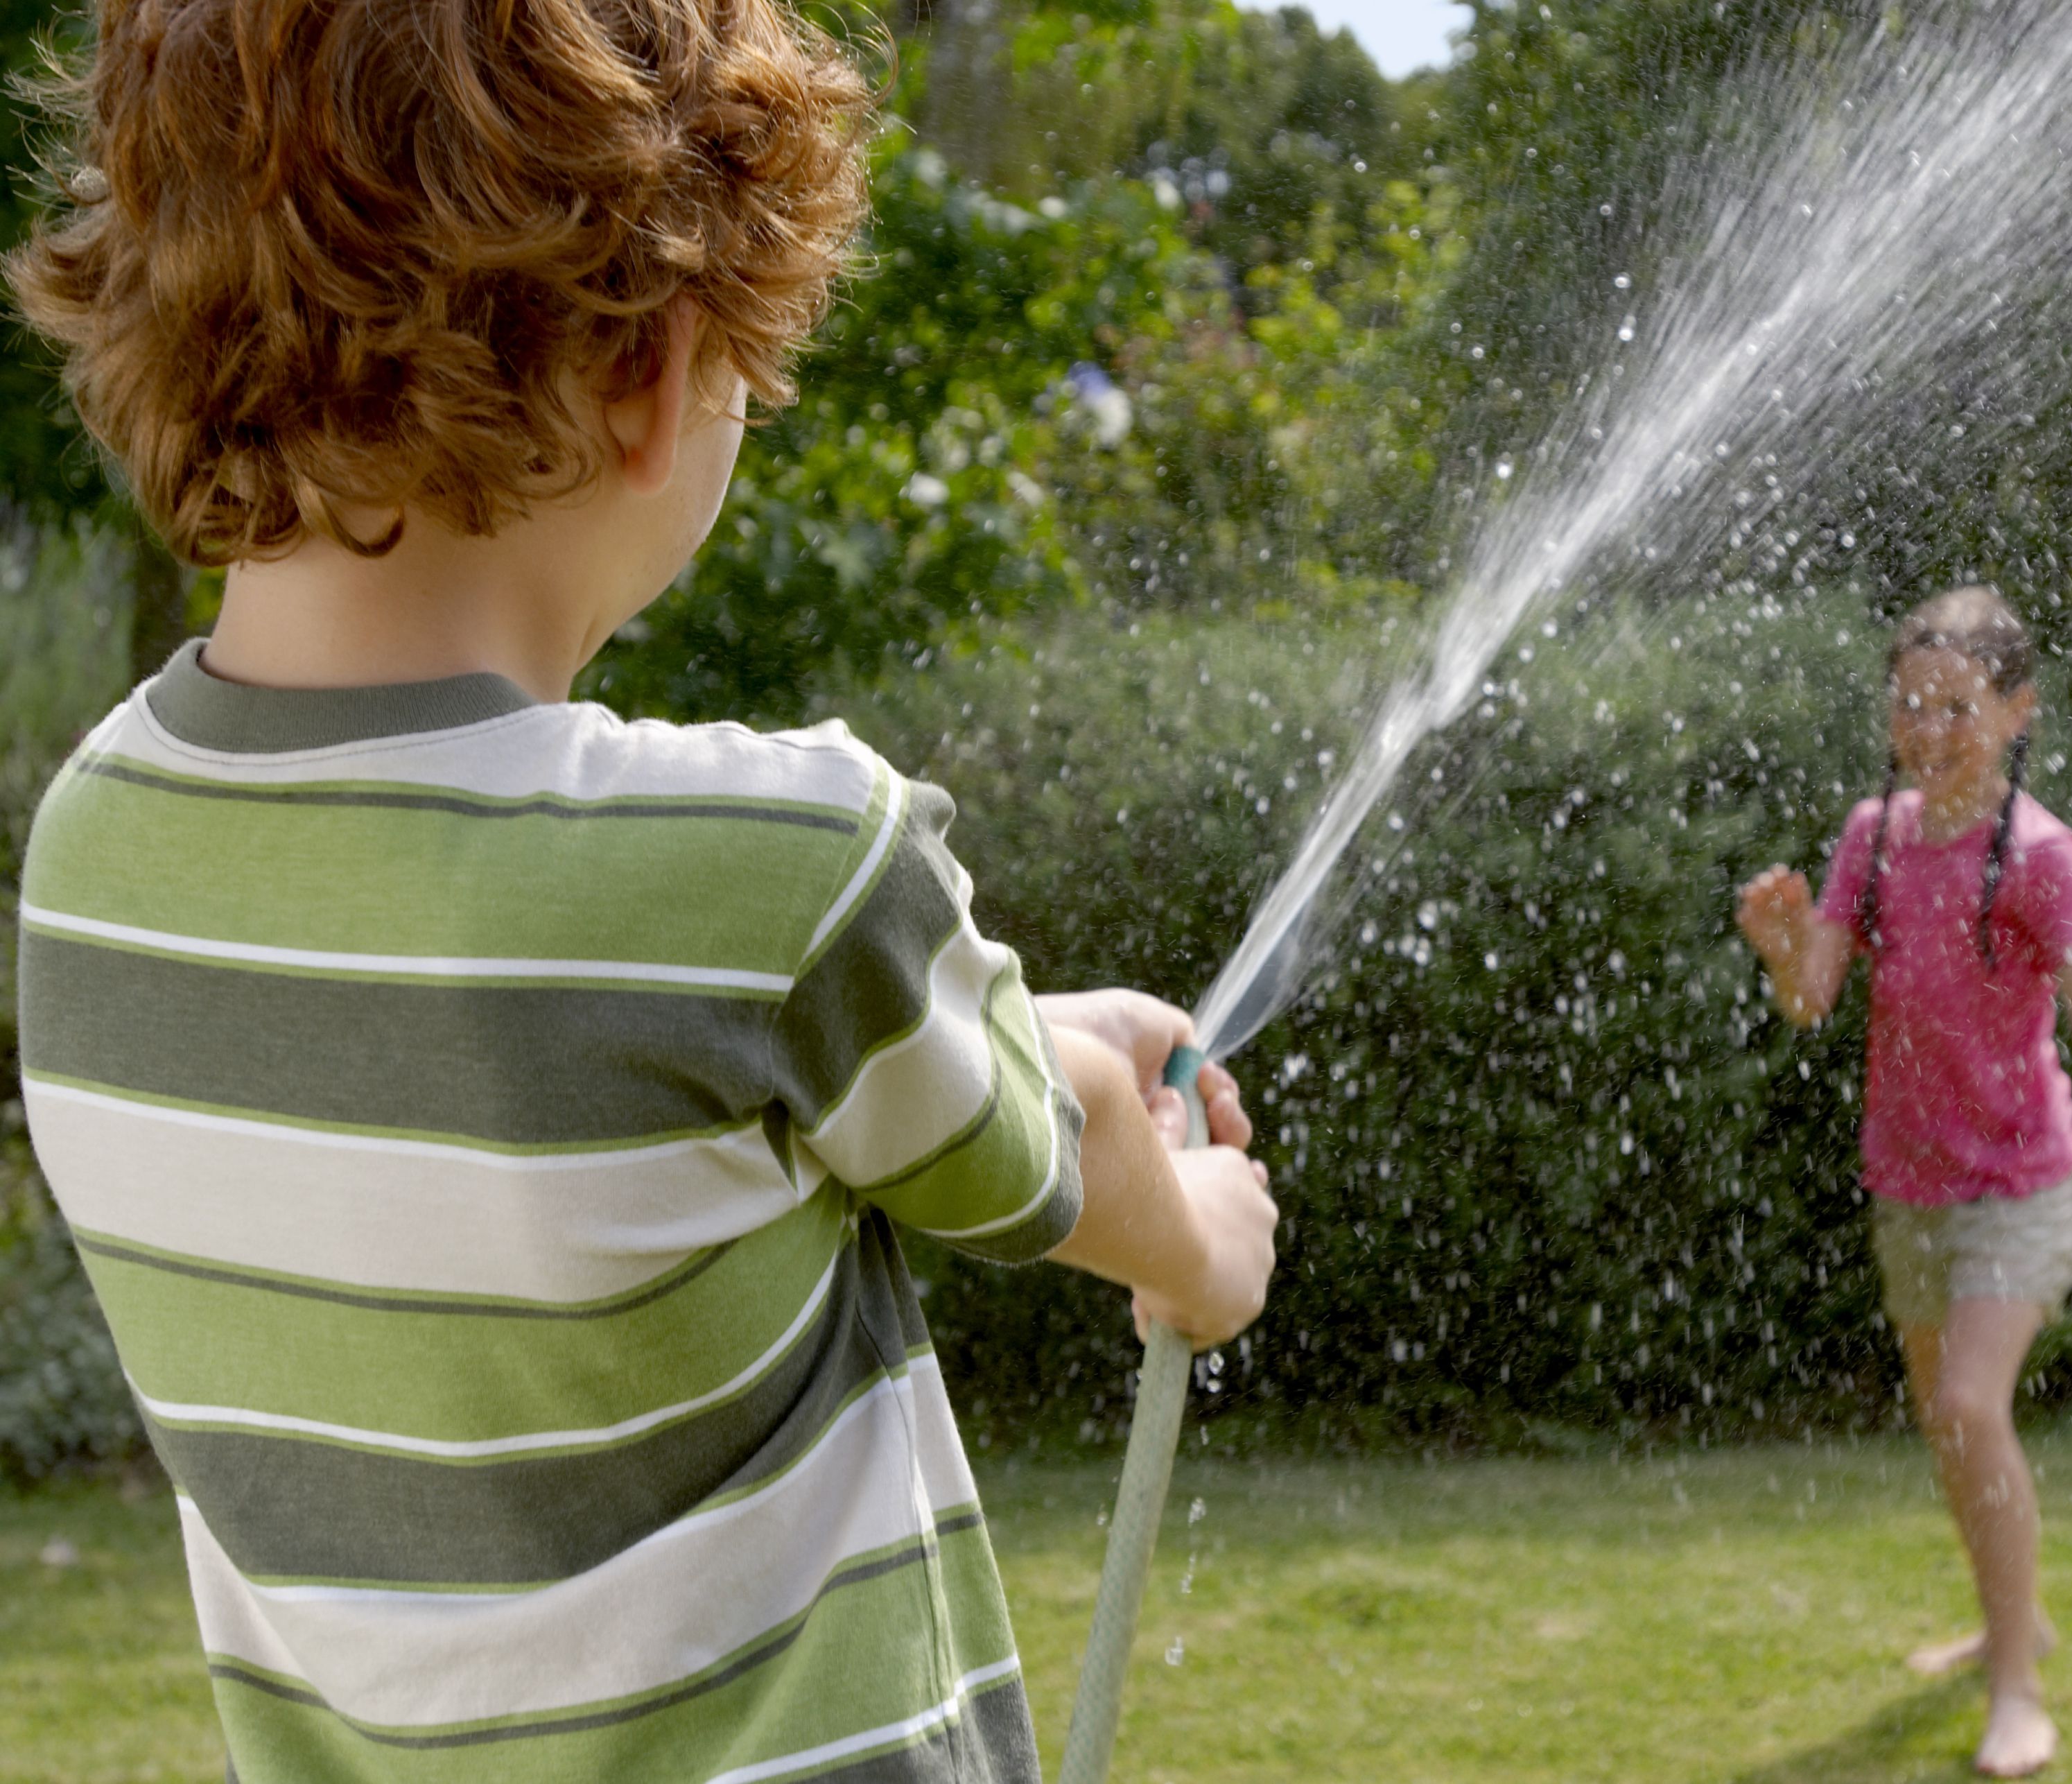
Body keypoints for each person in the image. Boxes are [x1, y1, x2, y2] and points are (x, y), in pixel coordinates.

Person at [4, 5, 1277, 1781]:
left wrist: (1033, 1026)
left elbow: (610, 1106)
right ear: (653, 377)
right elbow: (1057, 1142)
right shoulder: (780, 874)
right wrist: (1201, 1244)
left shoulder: (97, 862)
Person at [1734, 584, 2072, 1778]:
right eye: (1909, 704)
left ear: (2016, 708)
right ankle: (2006, 1614)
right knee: (1946, 1426)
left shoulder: (2041, 857)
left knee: (1972, 1409)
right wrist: (1785, 951)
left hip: (2023, 1181)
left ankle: (2017, 1689)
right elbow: (1811, 997)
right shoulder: (1870, 836)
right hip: (1908, 1178)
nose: (1929, 729)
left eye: (1958, 706)